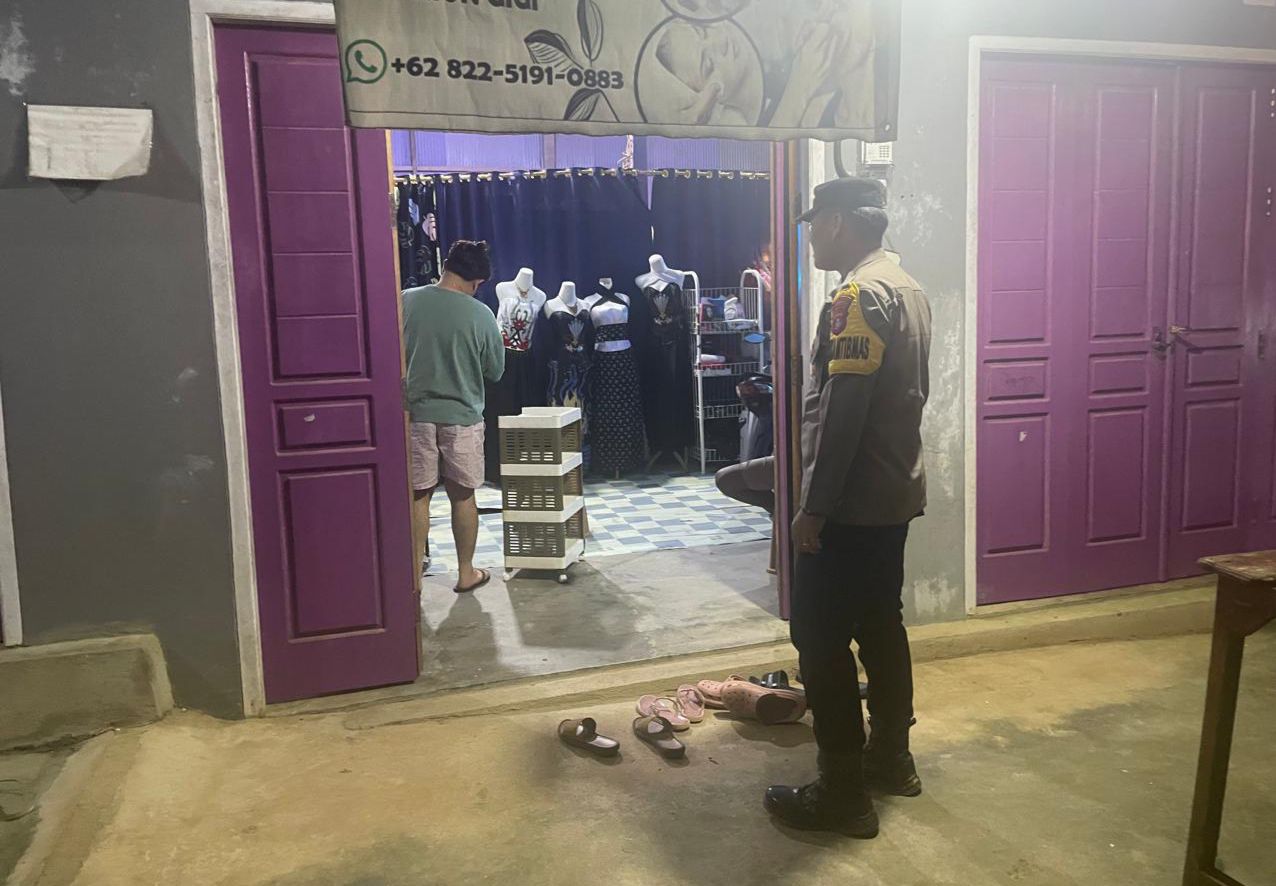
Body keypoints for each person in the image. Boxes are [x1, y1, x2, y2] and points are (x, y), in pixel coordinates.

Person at [764, 178, 932, 838]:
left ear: (837, 222)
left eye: (814, 224)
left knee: (820, 638)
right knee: (881, 625)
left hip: (850, 505)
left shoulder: (857, 295)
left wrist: (814, 508)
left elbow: (844, 412)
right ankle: (891, 760)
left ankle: (842, 794)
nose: (809, 236)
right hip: (892, 493)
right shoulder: (906, 286)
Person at [403, 240, 504, 594]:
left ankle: (413, 582)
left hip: (414, 414)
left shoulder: (406, 300)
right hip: (462, 415)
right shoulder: (481, 314)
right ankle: (465, 572)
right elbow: (495, 370)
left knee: (418, 496)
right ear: (477, 282)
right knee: (462, 496)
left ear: (446, 267)